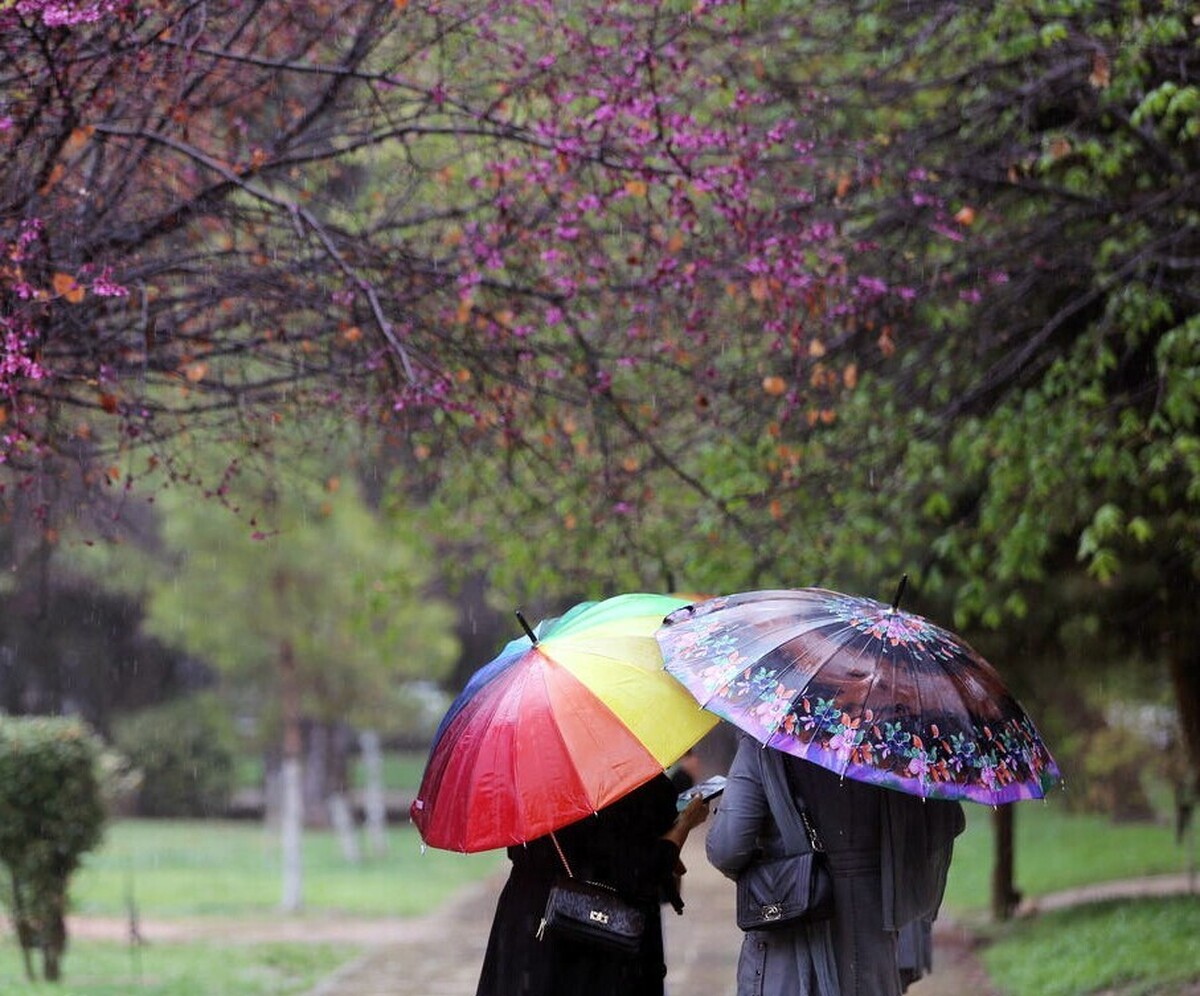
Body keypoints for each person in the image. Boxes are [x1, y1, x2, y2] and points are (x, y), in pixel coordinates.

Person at [706, 733, 965, 996]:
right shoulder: (893, 738)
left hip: (791, 941)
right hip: (872, 940)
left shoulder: (767, 738)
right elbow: (936, 826)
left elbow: (727, 848)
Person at [475, 773, 710, 996]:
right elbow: (643, 868)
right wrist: (685, 824)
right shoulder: (626, 777)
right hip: (598, 937)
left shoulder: (526, 773)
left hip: (527, 917)